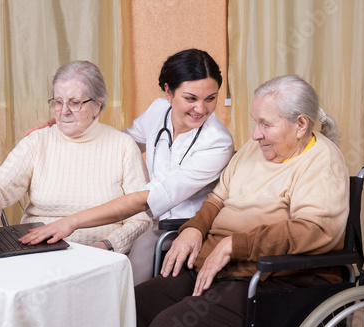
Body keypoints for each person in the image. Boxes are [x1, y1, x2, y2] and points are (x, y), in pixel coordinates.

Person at [135, 75, 350, 327]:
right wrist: (195, 228)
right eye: (255, 122)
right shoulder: (254, 149)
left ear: (301, 124)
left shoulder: (321, 162)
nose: (255, 134)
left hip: (273, 278)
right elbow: (217, 198)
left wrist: (235, 245)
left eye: (266, 124)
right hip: (219, 265)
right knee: (136, 305)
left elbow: (315, 230)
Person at [19, 49, 235, 283]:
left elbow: (146, 198)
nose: (201, 109)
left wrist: (71, 222)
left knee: (135, 252)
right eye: (191, 98)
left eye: (211, 98)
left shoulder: (218, 142)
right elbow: (120, 144)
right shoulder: (157, 111)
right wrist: (69, 127)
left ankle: (125, 314)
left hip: (179, 227)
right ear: (169, 92)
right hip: (145, 216)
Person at [0, 60, 152, 254]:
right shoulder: (38, 141)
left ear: (96, 106)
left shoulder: (123, 146)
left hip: (96, 254)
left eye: (74, 103)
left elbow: (140, 219)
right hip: (37, 251)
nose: (64, 111)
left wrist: (106, 247)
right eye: (58, 102)